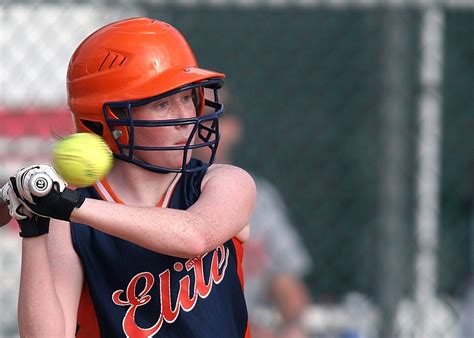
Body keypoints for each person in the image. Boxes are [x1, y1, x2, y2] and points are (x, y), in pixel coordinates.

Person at [0, 17, 255, 337]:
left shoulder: (223, 182)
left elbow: (195, 235)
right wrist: (34, 225)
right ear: (111, 120)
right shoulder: (69, 222)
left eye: (187, 97)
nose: (185, 117)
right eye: (162, 104)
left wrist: (66, 204)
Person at [195, 88, 312, 338]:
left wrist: (290, 326)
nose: (207, 125)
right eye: (197, 114)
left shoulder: (261, 197)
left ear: (236, 127)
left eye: (218, 115)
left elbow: (288, 287)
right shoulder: (162, 193)